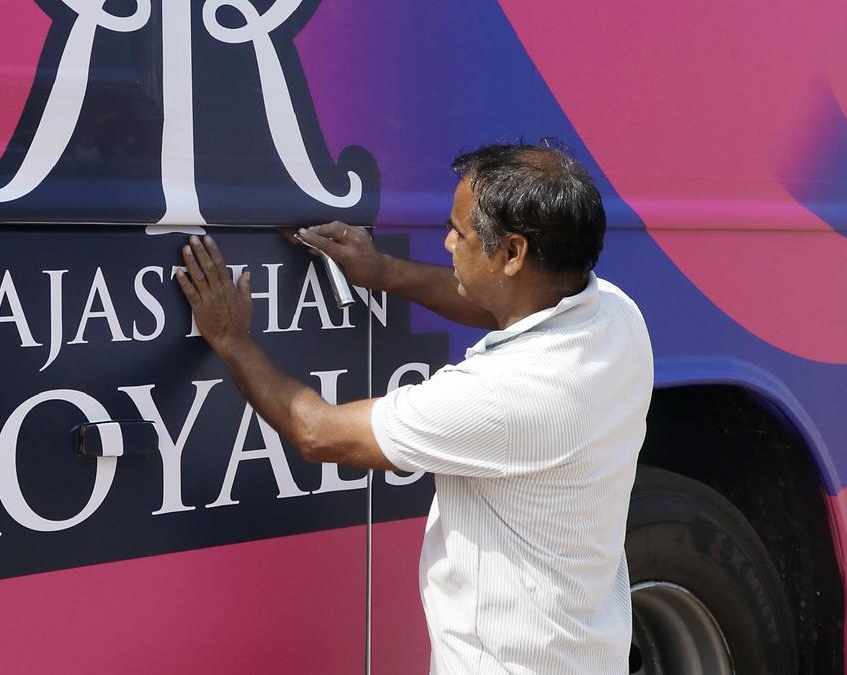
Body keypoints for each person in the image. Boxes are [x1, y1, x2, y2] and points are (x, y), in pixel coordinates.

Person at [175, 142, 653, 675]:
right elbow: (497, 305)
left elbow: (317, 431)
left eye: (459, 233)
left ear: (513, 253)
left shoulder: (502, 395)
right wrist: (380, 270)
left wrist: (231, 338)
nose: (447, 242)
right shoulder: (616, 317)